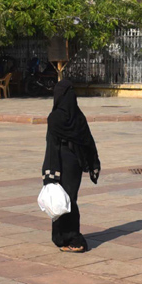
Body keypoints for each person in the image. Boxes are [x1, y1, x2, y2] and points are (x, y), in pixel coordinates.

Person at [42, 80, 100, 254]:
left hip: (59, 164)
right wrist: (93, 164)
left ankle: (74, 238)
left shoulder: (55, 118)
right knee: (68, 200)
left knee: (64, 202)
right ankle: (63, 237)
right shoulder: (78, 116)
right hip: (74, 165)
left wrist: (49, 172)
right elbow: (88, 142)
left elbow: (51, 147)